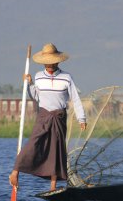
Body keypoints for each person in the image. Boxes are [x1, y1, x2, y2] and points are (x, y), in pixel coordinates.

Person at [9, 43, 87, 191]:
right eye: (47, 62)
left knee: (56, 150)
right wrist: (29, 84)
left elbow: (75, 98)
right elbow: (35, 97)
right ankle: (15, 172)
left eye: (52, 62)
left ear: (57, 61)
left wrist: (81, 118)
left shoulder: (66, 77)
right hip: (43, 116)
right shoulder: (39, 77)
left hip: (59, 116)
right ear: (44, 62)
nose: (50, 65)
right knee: (33, 143)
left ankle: (53, 186)